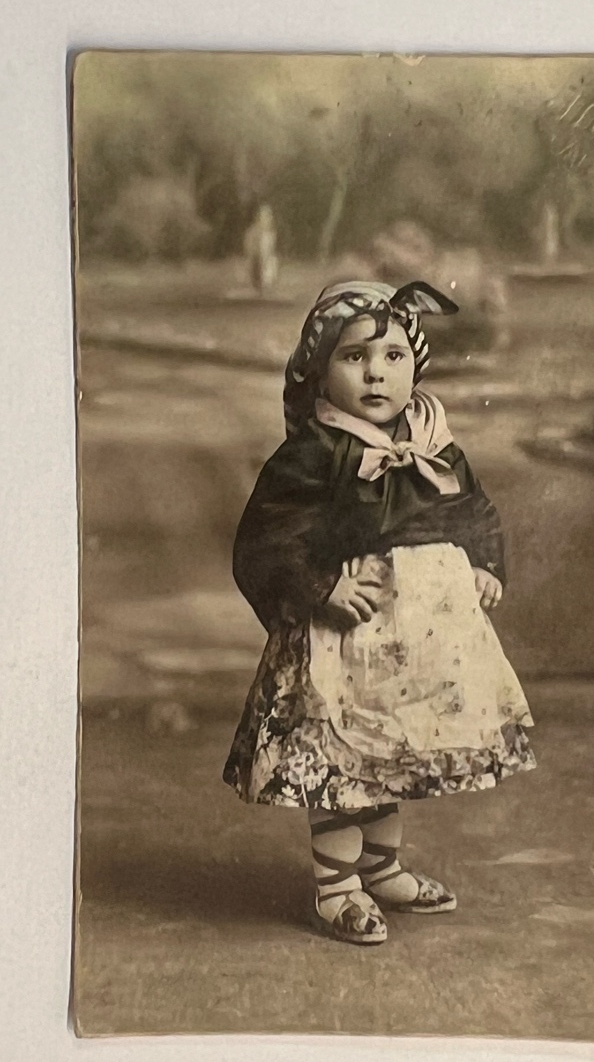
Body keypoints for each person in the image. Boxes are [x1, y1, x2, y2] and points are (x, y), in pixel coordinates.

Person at [223, 280, 535, 944]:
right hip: (344, 636)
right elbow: (269, 535)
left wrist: (484, 565)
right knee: (344, 758)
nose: (375, 372)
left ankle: (381, 866)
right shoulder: (314, 453)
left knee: (391, 749)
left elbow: (470, 506)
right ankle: (336, 888)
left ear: (415, 367)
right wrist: (320, 587)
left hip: (420, 639)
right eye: (355, 356)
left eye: (394, 356)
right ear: (318, 369)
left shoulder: (432, 441)